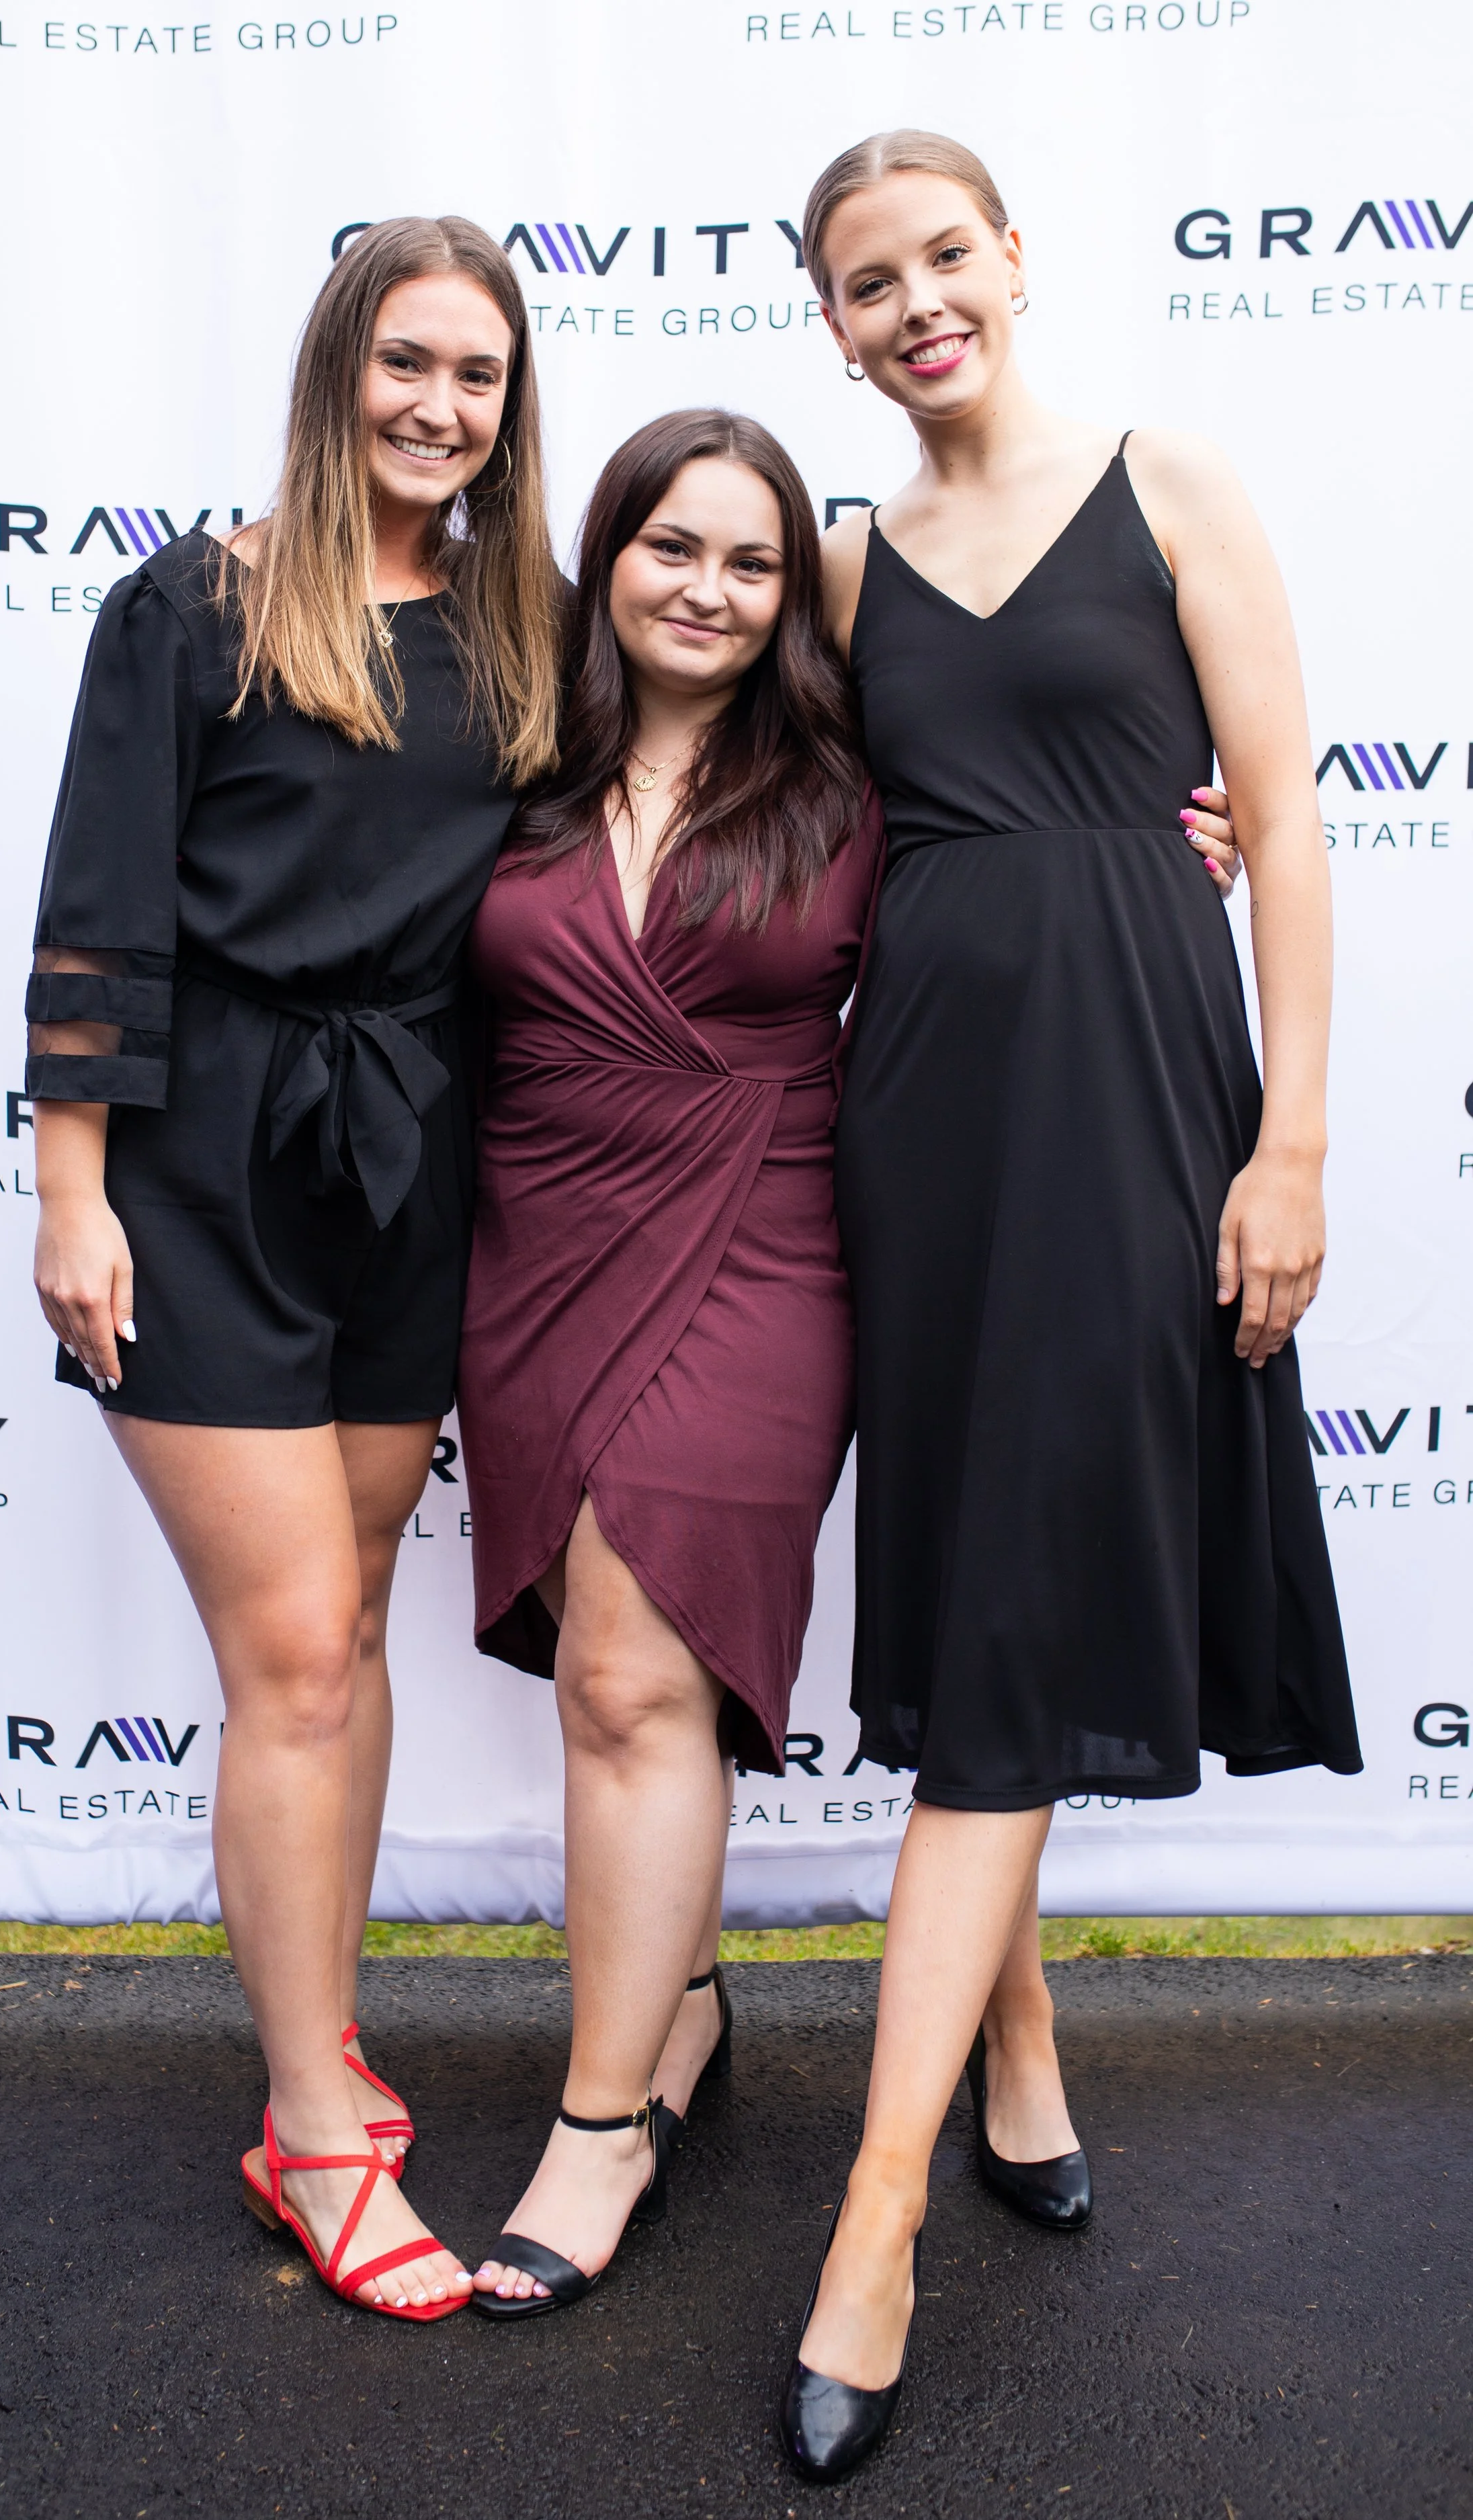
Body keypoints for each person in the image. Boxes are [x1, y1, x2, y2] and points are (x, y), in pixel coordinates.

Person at [454, 410, 1239, 2318]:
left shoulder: (849, 768)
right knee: (600, 1662)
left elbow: (1018, 827)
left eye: (751, 562)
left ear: (790, 597)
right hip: (538, 1241)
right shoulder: (505, 756)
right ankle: (710, 2007)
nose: (709, 590)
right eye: (671, 548)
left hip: (773, 1224)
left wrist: (1153, 850)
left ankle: (601, 2123)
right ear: (606, 562)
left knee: (636, 1671)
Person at [777, 131, 1361, 2483]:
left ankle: (875, 2218)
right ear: (831, 330)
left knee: (1015, 1618)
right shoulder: (838, 563)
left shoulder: (1171, 483)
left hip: (1138, 1095)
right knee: (975, 1605)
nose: (914, 301)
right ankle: (1010, 2052)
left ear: (1011, 259)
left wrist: (1289, 1144)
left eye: (943, 255)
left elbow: (1283, 822)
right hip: (919, 1118)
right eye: (865, 282)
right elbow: (768, 809)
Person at [26, 216, 560, 2321]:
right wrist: (73, 1193)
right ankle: (317, 2122)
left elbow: (731, 752)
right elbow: (95, 908)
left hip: (411, 1164)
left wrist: (1119, 819)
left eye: (478, 374)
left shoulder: (523, 635)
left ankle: (317, 2046)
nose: (440, 405)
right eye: (405, 361)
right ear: (339, 368)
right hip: (204, 1173)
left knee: (346, 1639)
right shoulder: (192, 608)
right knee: (295, 1660)